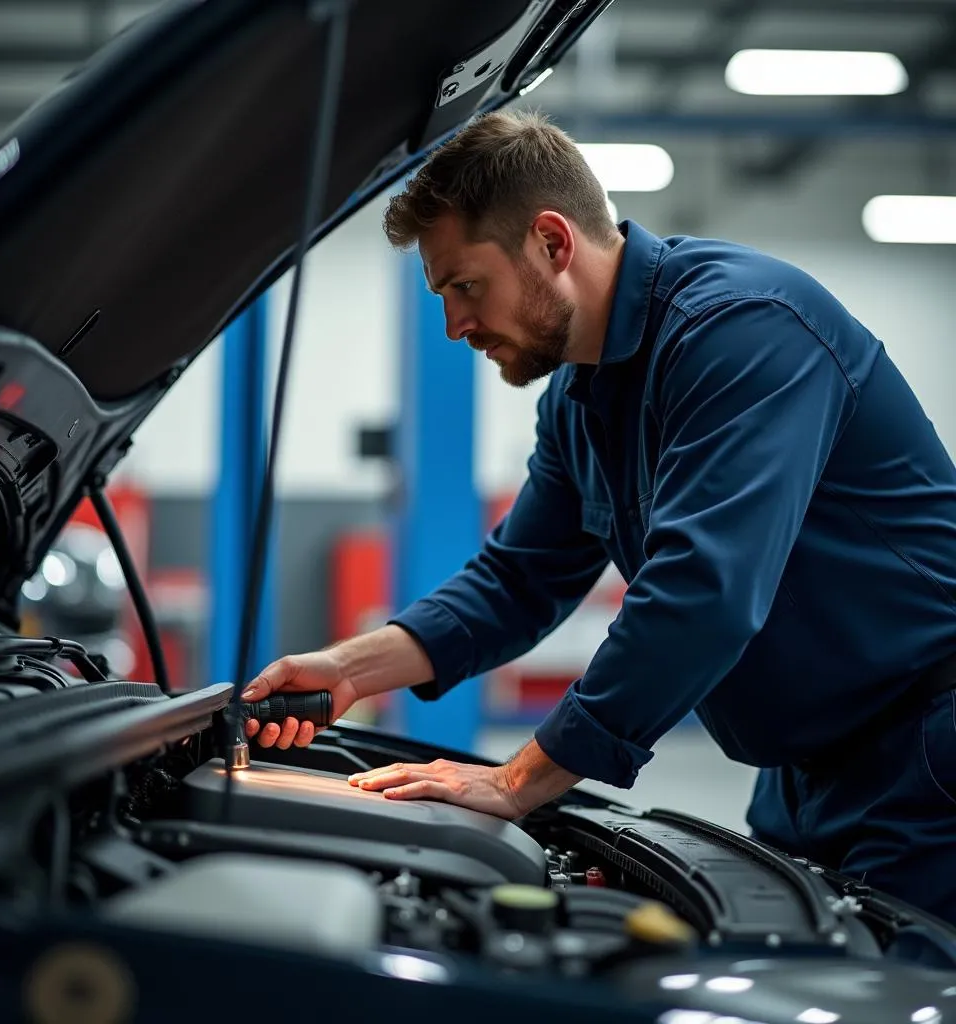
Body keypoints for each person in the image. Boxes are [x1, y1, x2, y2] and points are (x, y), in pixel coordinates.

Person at [242, 110, 956, 924]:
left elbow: (703, 591)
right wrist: (348, 670)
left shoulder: (743, 331)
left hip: (927, 757)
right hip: (803, 771)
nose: (455, 326)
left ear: (552, 242)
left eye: (467, 286)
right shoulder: (579, 398)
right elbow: (519, 578)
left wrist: (521, 781)